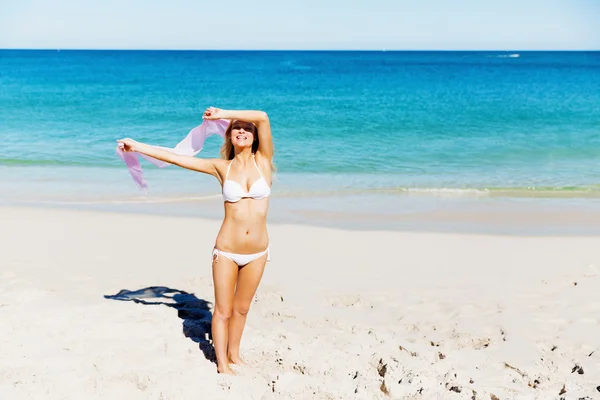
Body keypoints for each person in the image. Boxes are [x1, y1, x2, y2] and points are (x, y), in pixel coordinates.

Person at [117, 107, 274, 375]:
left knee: (243, 309)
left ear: (255, 136)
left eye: (247, 128)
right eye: (236, 127)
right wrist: (137, 146)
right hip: (226, 251)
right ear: (229, 136)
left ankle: (234, 355)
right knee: (223, 311)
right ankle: (222, 364)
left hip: (258, 251)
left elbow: (262, 116)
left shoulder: (264, 163)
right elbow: (176, 158)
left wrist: (223, 112)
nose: (242, 131)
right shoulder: (221, 167)